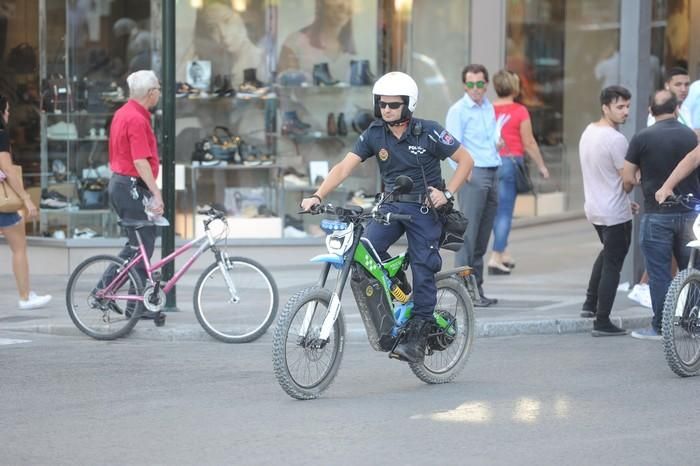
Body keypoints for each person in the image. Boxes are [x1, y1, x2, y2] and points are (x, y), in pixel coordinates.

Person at [299, 71, 473, 363]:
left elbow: (466, 161)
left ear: (408, 105)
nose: (387, 109)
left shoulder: (429, 131)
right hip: (390, 208)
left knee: (423, 266)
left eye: (393, 104)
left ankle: (419, 332)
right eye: (382, 104)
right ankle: (398, 300)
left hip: (425, 210)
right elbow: (344, 167)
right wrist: (318, 196)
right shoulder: (374, 133)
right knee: (362, 252)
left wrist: (448, 193)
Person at [622, 90, 700, 340]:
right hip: (689, 213)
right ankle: (691, 322)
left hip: (657, 214)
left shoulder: (641, 138)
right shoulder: (690, 136)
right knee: (694, 272)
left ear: (649, 111)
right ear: (676, 109)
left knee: (659, 274)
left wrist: (635, 183)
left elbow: (626, 177)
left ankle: (660, 326)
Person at [103, 70, 164, 322]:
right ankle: (108, 292)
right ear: (151, 93)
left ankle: (132, 302)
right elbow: (140, 161)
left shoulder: (122, 113)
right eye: (158, 89)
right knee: (141, 245)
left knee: (139, 244)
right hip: (130, 186)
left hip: (122, 184)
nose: (159, 93)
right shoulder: (137, 119)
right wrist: (156, 193)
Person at [579, 86, 635, 336]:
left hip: (594, 208)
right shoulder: (616, 139)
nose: (626, 112)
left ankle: (589, 304)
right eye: (620, 107)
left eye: (627, 106)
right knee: (613, 263)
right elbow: (627, 180)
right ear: (605, 107)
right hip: (615, 213)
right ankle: (602, 321)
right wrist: (628, 190)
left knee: (607, 254)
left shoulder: (589, 132)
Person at [445, 64, 500, 307]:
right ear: (464, 85)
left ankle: (477, 288)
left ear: (486, 84)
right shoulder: (458, 110)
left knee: (483, 235)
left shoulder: (489, 108)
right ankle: (464, 291)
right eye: (471, 84)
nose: (476, 89)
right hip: (473, 174)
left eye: (480, 84)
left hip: (493, 170)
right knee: (468, 235)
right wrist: (463, 173)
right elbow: (450, 148)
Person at [488, 70, 549, 274]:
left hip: (489, 163)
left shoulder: (487, 109)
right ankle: (495, 257)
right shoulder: (520, 111)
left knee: (496, 211)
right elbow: (529, 142)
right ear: (514, 87)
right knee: (505, 212)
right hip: (510, 163)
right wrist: (541, 166)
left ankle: (503, 252)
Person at [0, 95, 52, 310]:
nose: (9, 113)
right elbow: (8, 169)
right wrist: (27, 199)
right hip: (3, 202)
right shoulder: (1, 133)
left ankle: (26, 294)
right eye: (7, 109)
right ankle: (25, 297)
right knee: (19, 248)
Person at [277, 0, 355, 81]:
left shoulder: (355, 50)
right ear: (321, 3)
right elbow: (285, 88)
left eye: (349, 1)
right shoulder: (294, 43)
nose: (343, 5)